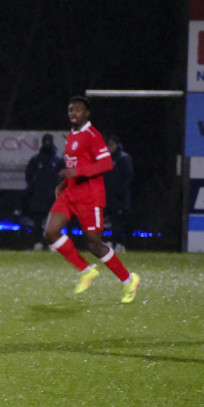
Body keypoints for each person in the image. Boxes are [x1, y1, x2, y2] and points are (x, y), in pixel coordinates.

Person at [44, 96, 139, 303]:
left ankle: (129, 280)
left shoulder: (92, 135)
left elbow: (106, 164)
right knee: (50, 232)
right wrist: (64, 183)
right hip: (70, 194)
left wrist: (77, 172)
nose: (73, 113)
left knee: (94, 245)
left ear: (87, 113)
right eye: (71, 109)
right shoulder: (71, 134)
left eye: (78, 109)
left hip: (89, 197)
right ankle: (86, 271)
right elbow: (74, 165)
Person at [24, 133, 65, 248]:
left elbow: (65, 177)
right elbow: (28, 176)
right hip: (39, 196)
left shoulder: (58, 160)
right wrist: (33, 187)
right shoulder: (36, 160)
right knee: (38, 221)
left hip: (53, 196)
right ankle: (38, 242)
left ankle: (53, 243)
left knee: (54, 222)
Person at [103, 134, 134, 251]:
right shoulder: (106, 158)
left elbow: (127, 177)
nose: (109, 147)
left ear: (117, 145)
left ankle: (118, 243)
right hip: (108, 196)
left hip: (119, 197)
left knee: (118, 221)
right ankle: (111, 242)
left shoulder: (123, 158)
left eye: (111, 145)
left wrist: (119, 192)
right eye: (108, 145)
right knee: (108, 221)